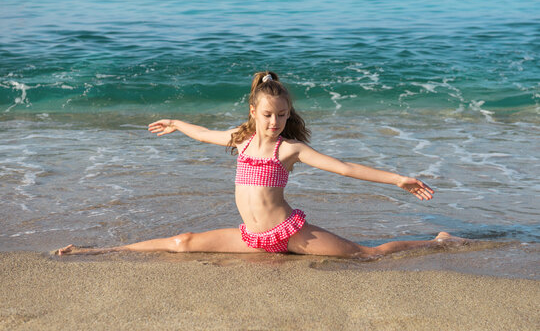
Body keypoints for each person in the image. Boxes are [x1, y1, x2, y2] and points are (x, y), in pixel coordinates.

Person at [57, 71, 467, 258]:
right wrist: (178, 123)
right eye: (269, 115)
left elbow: (343, 168)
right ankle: (97, 250)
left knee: (366, 254)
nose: (276, 122)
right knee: (181, 241)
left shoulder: (288, 150)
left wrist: (398, 179)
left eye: (283, 116)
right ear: (254, 111)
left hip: (289, 234)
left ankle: (439, 242)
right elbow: (205, 134)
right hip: (251, 237)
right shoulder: (240, 140)